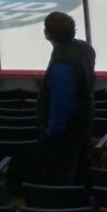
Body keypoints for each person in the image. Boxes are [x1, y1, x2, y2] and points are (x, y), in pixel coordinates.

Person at [37, 11, 95, 185]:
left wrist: (52, 132)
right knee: (80, 166)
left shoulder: (62, 65)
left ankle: (63, 206)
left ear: (47, 34)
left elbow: (62, 103)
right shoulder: (85, 48)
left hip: (67, 131)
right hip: (84, 119)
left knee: (62, 174)